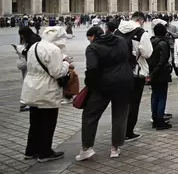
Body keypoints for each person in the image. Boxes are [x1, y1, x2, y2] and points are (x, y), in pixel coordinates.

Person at [75, 26, 133, 161]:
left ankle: (87, 148)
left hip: (103, 84)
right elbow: (128, 56)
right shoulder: (120, 40)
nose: (90, 42)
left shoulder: (92, 48)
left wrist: (90, 85)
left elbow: (92, 69)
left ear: (93, 36)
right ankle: (115, 148)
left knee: (90, 114)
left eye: (89, 39)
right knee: (120, 114)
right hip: (124, 80)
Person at [21, 26, 71, 162]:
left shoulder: (35, 46)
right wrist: (66, 63)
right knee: (48, 121)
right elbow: (57, 72)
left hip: (32, 87)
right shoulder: (54, 50)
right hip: (47, 88)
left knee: (35, 121)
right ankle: (45, 152)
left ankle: (31, 151)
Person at [115, 11, 152, 142]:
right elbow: (147, 54)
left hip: (118, 72)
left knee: (120, 103)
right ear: (141, 21)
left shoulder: (117, 31)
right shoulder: (142, 33)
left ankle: (118, 132)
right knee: (133, 103)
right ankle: (128, 132)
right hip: (135, 72)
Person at [148, 24, 173, 130]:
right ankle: (160, 121)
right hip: (161, 73)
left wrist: (151, 74)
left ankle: (154, 119)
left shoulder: (151, 42)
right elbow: (163, 61)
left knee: (155, 96)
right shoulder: (163, 43)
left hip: (152, 72)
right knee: (162, 97)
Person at [17, 27, 41, 112]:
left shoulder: (33, 39)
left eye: (22, 34)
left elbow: (31, 51)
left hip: (31, 65)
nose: (21, 37)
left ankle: (28, 103)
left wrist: (22, 51)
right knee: (28, 83)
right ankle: (28, 103)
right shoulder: (32, 37)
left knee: (28, 83)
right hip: (30, 64)